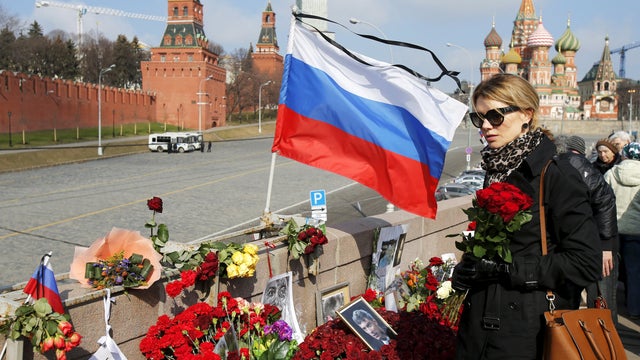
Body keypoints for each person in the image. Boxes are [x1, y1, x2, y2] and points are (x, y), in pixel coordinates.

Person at [452, 73, 601, 359]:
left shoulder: (555, 174)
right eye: (478, 118)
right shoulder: (496, 168)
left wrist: (507, 269)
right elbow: (497, 244)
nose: (485, 126)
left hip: (528, 330)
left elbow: (586, 262)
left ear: (526, 114)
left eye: (495, 116)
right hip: (481, 322)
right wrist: (468, 268)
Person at [555, 135, 619, 324]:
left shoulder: (561, 164)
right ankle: (606, 342)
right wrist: (607, 246)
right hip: (596, 244)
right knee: (601, 300)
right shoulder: (587, 167)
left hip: (575, 244)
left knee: (569, 297)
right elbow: (606, 203)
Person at [604, 142, 640, 320]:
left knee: (611, 271)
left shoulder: (611, 173)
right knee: (634, 271)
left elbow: (603, 200)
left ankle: (609, 311)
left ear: (624, 155)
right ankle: (634, 308)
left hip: (613, 228)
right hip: (636, 230)